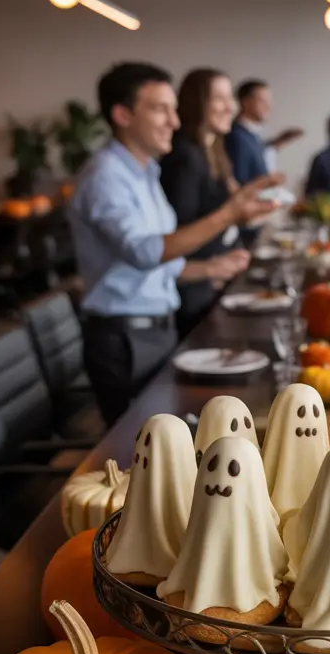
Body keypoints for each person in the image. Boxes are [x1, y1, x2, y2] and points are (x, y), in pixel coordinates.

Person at [69, 62, 281, 426]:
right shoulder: (106, 177)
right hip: (126, 340)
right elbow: (145, 252)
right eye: (160, 109)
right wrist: (229, 214)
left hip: (155, 331)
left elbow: (160, 264)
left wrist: (209, 268)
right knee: (145, 451)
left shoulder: (145, 172)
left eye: (174, 109)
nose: (175, 121)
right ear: (122, 115)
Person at [160, 68, 242, 336]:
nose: (230, 107)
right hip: (191, 293)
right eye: (219, 99)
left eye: (230, 98)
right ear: (196, 104)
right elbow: (179, 234)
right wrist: (211, 267)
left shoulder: (213, 151)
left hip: (210, 282)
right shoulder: (185, 157)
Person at [226, 78, 303, 185]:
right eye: (262, 101)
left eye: (268, 101)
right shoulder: (236, 137)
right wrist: (267, 181)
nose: (268, 106)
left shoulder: (252, 136)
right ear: (245, 102)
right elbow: (240, 183)